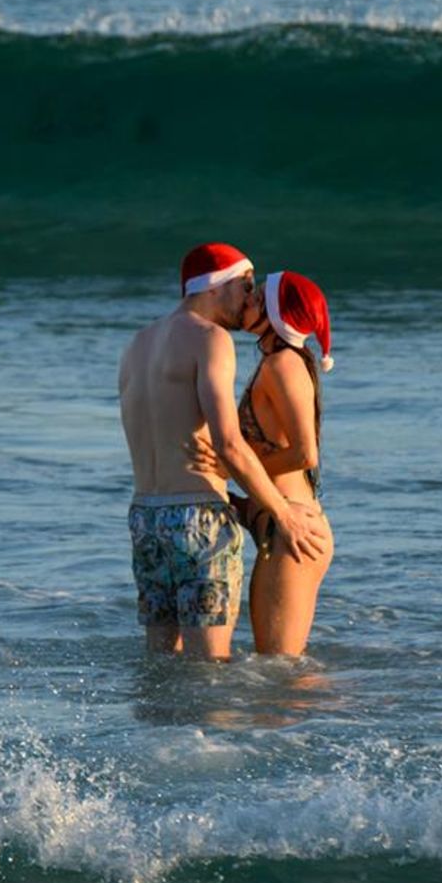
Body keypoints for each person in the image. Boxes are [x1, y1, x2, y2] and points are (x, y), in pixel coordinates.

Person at [119, 244, 328, 660]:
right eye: (247, 287)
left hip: (145, 517)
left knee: (160, 666)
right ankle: (206, 730)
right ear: (217, 287)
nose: (251, 299)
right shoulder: (210, 338)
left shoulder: (137, 344)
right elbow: (228, 444)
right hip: (198, 519)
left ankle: (157, 730)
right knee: (209, 671)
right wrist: (284, 516)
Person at [188, 271, 334, 657]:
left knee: (281, 673)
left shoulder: (283, 364)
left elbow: (305, 454)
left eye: (257, 299)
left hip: (293, 531)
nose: (246, 301)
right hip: (275, 520)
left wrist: (229, 467)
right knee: (275, 673)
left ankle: (360, 715)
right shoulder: (276, 362)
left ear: (275, 314)